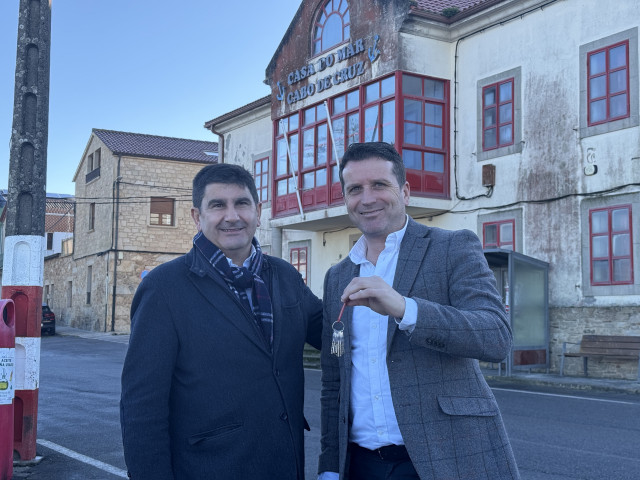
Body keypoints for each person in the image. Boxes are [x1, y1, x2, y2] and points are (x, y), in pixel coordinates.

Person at [317, 142, 520, 480]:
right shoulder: (337, 276)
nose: (367, 198)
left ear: (405, 191)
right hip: (360, 464)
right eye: (355, 189)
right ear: (346, 199)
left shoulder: (452, 247)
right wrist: (329, 465)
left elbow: (496, 336)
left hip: (445, 457)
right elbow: (333, 381)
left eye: (379, 185)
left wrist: (405, 309)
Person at [120, 163, 322, 480]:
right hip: (209, 468)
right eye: (218, 205)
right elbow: (142, 407)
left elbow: (335, 339)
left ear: (257, 211)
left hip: (284, 464)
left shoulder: (284, 276)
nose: (232, 216)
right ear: (197, 218)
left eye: (241, 203)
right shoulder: (164, 288)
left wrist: (385, 307)